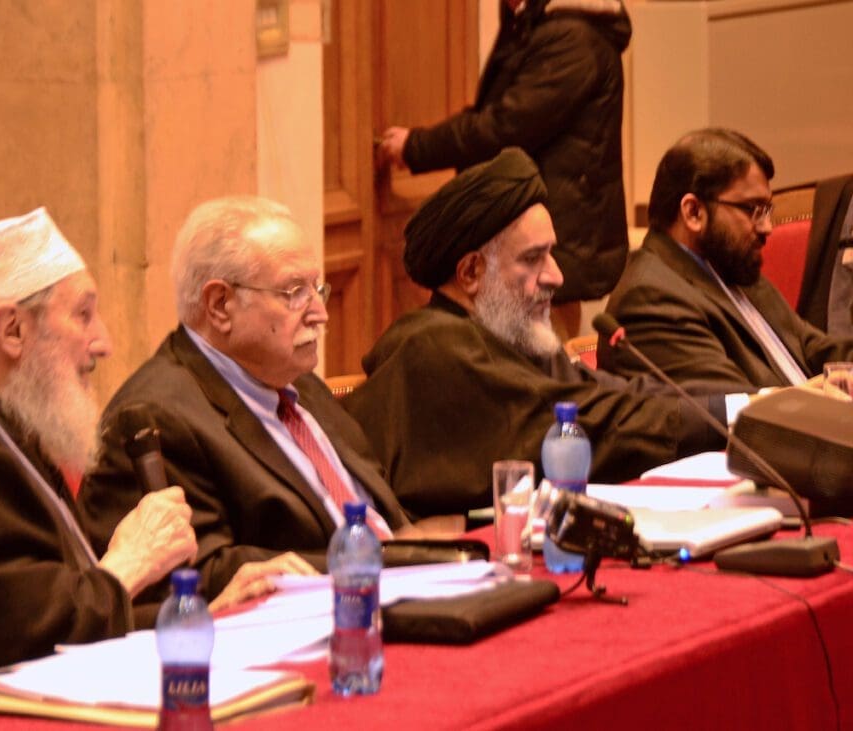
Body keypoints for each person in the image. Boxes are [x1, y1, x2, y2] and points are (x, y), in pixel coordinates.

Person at [0, 209, 265, 728]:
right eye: (83, 314)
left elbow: (45, 606)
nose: (102, 341)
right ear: (11, 328)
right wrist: (128, 563)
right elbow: (6, 639)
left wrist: (199, 612)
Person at [344, 149, 727, 520]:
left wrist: (745, 406)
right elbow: (594, 426)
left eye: (551, 253)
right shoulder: (435, 348)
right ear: (471, 272)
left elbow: (610, 395)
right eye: (532, 259)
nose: (556, 276)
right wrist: (728, 417)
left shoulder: (513, 335)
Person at [78, 197, 414, 600]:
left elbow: (382, 510)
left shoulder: (296, 381)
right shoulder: (157, 418)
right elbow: (194, 578)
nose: (321, 313)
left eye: (316, 288)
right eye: (294, 293)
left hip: (401, 588)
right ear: (220, 305)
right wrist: (386, 561)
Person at [376, 0, 632, 326]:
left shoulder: (572, 36)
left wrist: (418, 146)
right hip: (533, 239)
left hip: (549, 244)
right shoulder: (532, 24)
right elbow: (495, 116)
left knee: (544, 366)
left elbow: (505, 127)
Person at [598, 128, 853, 394]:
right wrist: (822, 397)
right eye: (753, 210)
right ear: (693, 212)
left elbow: (813, 346)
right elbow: (736, 410)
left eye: (767, 210)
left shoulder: (732, 267)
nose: (767, 227)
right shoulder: (650, 299)